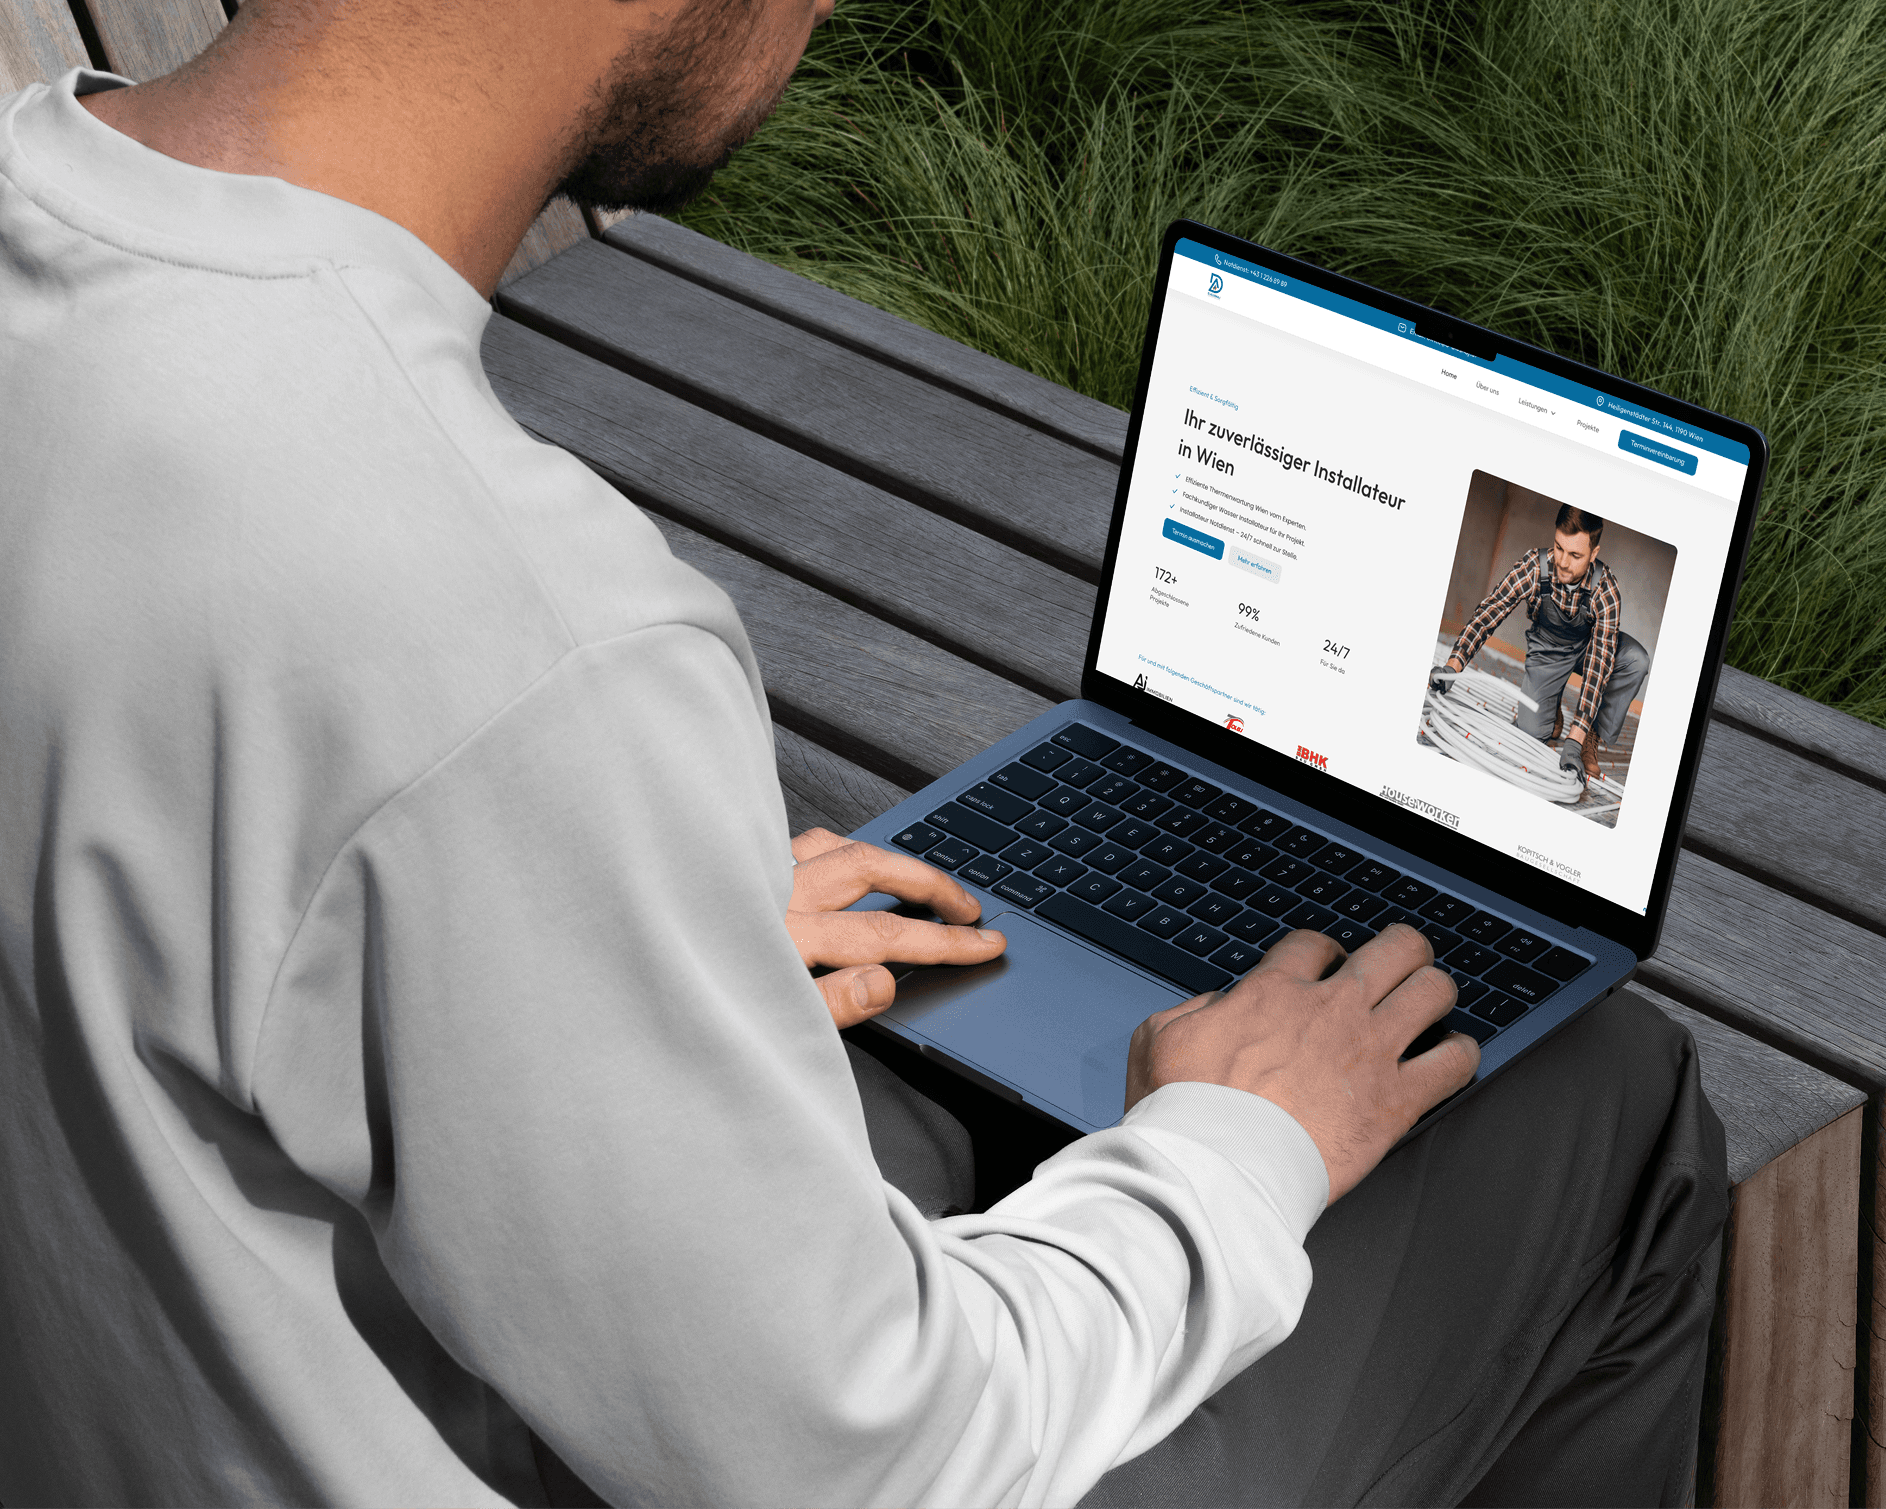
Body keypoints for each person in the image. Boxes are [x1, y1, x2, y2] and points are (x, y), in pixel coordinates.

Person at [0, 2, 1726, 1504]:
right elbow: (880, 1464)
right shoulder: (518, 638)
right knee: (1603, 1102)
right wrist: (1234, 1139)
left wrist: (567, 947)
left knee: (917, 1081)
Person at [1444, 505, 1651, 781]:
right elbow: (1489, 613)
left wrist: (1575, 740)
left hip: (1590, 649)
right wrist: (1452, 666)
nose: (1563, 562)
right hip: (1548, 650)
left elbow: (1599, 666)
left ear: (1594, 554)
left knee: (1636, 659)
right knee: (1530, 735)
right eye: (1559, 548)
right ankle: (1550, 709)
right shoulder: (1534, 566)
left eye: (1575, 555)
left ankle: (1592, 733)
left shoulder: (1606, 589)